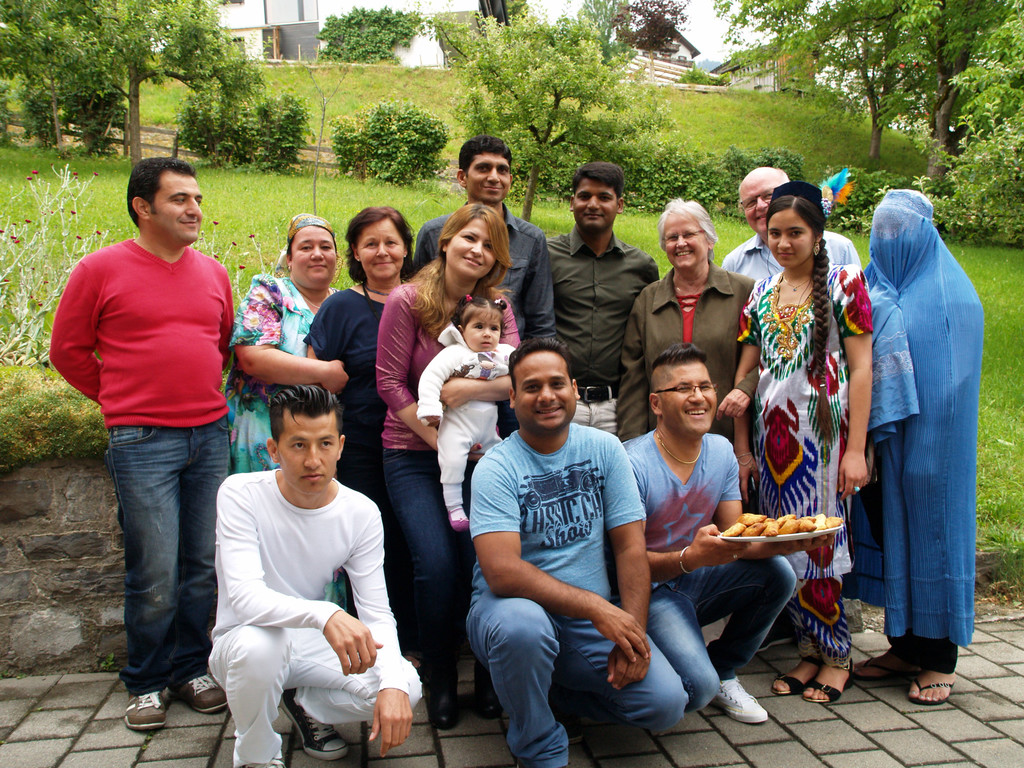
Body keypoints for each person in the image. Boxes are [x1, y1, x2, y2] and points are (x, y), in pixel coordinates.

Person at [49, 157, 231, 730]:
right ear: (142, 206)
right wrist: (119, 399)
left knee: (202, 565)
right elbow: (67, 351)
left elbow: (220, 344)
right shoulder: (100, 269)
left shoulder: (214, 272)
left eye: (197, 199)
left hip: (210, 435)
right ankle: (147, 681)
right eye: (180, 199)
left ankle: (190, 669)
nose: (194, 209)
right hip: (141, 440)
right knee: (153, 569)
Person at [467, 338, 687, 768]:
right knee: (523, 630)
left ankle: (548, 694)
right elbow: (502, 571)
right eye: (531, 387)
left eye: (556, 384)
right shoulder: (496, 467)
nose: (546, 396)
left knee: (666, 704)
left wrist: (632, 635)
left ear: (573, 388)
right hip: (513, 612)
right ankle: (538, 742)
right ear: (512, 397)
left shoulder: (605, 449)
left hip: (586, 624)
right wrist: (596, 607)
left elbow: (630, 547)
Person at [627, 343, 839, 724]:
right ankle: (676, 659)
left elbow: (736, 539)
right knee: (697, 689)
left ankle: (724, 667)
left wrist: (793, 543)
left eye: (705, 386)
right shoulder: (632, 463)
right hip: (651, 592)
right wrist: (689, 558)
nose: (699, 397)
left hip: (698, 575)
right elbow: (624, 566)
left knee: (780, 573)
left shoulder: (721, 451)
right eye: (683, 388)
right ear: (656, 403)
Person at [211, 386, 421, 767]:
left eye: (324, 444)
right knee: (261, 648)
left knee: (405, 684)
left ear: (340, 446)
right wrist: (325, 614)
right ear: (273, 450)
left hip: (310, 642)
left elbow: (377, 613)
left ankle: (302, 701)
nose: (313, 460)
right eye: (298, 445)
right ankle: (256, 754)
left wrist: (392, 683)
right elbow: (244, 598)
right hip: (243, 641)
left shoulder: (361, 513)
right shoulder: (240, 494)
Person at [730, 180, 873, 703]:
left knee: (821, 545)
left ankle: (837, 655)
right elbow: (746, 376)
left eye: (795, 233)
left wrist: (855, 450)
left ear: (817, 235)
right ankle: (809, 651)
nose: (783, 243)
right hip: (774, 442)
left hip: (825, 442)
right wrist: (743, 449)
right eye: (775, 233)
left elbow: (862, 369)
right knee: (783, 544)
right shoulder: (761, 292)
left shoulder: (844, 282)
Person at [377, 203, 519, 729]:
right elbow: (389, 382)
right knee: (436, 566)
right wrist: (439, 440)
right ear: (446, 240)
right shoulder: (408, 300)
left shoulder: (498, 307)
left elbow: (519, 377)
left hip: (482, 458)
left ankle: (487, 671)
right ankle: (439, 675)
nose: (478, 251)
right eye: (470, 238)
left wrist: (463, 391)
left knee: (483, 564)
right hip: (412, 453)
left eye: (490, 245)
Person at [847, 190, 983, 705]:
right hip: (879, 446)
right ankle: (904, 647)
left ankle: (939, 659)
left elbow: (953, 387)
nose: (889, 241)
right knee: (890, 534)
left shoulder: (952, 298)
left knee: (932, 536)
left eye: (900, 231)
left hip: (931, 450)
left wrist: (925, 454)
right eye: (881, 231)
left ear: (925, 234)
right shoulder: (871, 285)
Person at [305, 206, 418, 655]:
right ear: (355, 252)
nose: (382, 251)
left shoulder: (425, 301)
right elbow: (317, 380)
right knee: (369, 548)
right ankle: (372, 646)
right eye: (371, 243)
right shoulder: (341, 308)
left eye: (391, 242)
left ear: (406, 248)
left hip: (417, 447)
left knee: (414, 544)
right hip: (360, 448)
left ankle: (415, 644)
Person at [618, 199, 756, 444]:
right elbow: (633, 379)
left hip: (725, 434)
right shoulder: (648, 300)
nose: (680, 243)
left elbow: (768, 357)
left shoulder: (744, 291)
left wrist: (746, 388)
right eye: (672, 237)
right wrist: (631, 443)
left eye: (689, 234)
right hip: (662, 440)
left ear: (709, 240)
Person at [225, 213, 348, 473]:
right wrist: (325, 372)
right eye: (306, 247)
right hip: (264, 439)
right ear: (289, 259)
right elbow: (253, 357)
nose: (317, 254)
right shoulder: (270, 291)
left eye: (326, 247)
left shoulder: (345, 303)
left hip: (323, 448)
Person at [547, 161, 658, 433]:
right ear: (572, 202)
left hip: (617, 406)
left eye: (604, 197)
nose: (593, 204)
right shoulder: (547, 256)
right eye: (584, 196)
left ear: (619, 205)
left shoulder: (641, 266)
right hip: (558, 400)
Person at [413, 134, 555, 341]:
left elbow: (541, 323)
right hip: (439, 350)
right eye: (483, 168)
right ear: (462, 177)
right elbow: (417, 303)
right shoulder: (434, 233)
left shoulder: (531, 239)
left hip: (506, 352)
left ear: (510, 180)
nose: (494, 177)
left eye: (502, 170)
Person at [417, 295, 518, 531]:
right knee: (452, 461)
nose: (487, 334)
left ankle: (506, 501)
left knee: (500, 460)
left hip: (489, 429)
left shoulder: (505, 354)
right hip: (457, 425)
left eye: (494, 328)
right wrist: (430, 408)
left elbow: (523, 372)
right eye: (479, 327)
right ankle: (454, 507)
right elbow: (431, 378)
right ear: (461, 331)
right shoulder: (454, 354)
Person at [721, 167, 860, 281]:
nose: (760, 206)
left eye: (768, 195)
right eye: (750, 202)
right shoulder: (734, 264)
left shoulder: (841, 249)